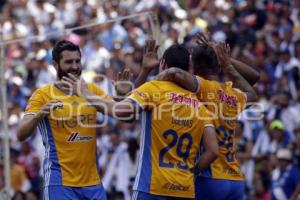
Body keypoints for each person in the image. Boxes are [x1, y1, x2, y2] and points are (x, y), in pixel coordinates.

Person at [61, 43, 219, 200]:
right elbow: (213, 151)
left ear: (163, 64)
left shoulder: (155, 88)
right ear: (188, 68)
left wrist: (85, 92)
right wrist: (192, 172)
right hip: (185, 189)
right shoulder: (200, 106)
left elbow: (120, 111)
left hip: (152, 187)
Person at [138, 35, 259, 199]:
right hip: (235, 178)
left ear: (193, 65)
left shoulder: (202, 88)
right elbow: (254, 81)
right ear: (218, 67)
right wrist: (227, 62)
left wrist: (164, 71)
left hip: (209, 177)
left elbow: (177, 74)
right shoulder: (233, 94)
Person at [16, 40, 113, 200]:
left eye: (77, 61)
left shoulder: (90, 90)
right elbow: (21, 134)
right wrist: (39, 115)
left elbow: (121, 112)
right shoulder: (43, 95)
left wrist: (141, 74)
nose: (75, 66)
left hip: (93, 182)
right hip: (60, 182)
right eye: (69, 62)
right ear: (55, 64)